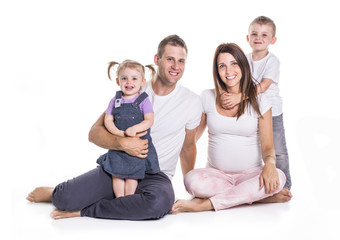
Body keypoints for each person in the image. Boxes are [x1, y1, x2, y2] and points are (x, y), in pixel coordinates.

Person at [26, 35, 202, 220]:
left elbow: (188, 146)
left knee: (159, 203)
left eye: (181, 61)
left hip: (155, 175)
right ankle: (56, 191)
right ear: (157, 60)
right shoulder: (131, 89)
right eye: (170, 59)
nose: (176, 66)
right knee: (64, 198)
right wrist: (123, 143)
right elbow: (94, 133)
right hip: (118, 168)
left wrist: (192, 191)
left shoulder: (191, 102)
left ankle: (85, 211)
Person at [172, 43, 290, 214]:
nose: (229, 71)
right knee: (191, 180)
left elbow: (267, 146)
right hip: (216, 176)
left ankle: (206, 204)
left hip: (251, 174)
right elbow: (191, 140)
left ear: (243, 65)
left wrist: (270, 165)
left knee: (279, 177)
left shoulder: (261, 100)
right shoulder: (207, 97)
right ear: (217, 71)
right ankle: (257, 197)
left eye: (234, 63)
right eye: (222, 66)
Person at [220, 16, 292, 191]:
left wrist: (240, 97)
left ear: (272, 40)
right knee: (255, 148)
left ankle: (284, 185)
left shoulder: (272, 61)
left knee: (278, 150)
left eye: (264, 35)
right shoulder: (244, 59)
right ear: (247, 38)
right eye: (254, 34)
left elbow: (263, 86)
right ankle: (255, 180)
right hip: (251, 110)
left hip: (271, 111)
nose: (258, 38)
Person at [97, 59, 160, 198]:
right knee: (116, 174)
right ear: (118, 81)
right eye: (124, 78)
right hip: (119, 145)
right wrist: (118, 133)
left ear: (142, 82)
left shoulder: (143, 100)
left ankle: (129, 198)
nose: (129, 82)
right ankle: (120, 198)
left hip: (138, 145)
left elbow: (149, 120)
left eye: (134, 79)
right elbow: (108, 120)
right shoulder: (115, 100)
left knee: (133, 174)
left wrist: (135, 129)